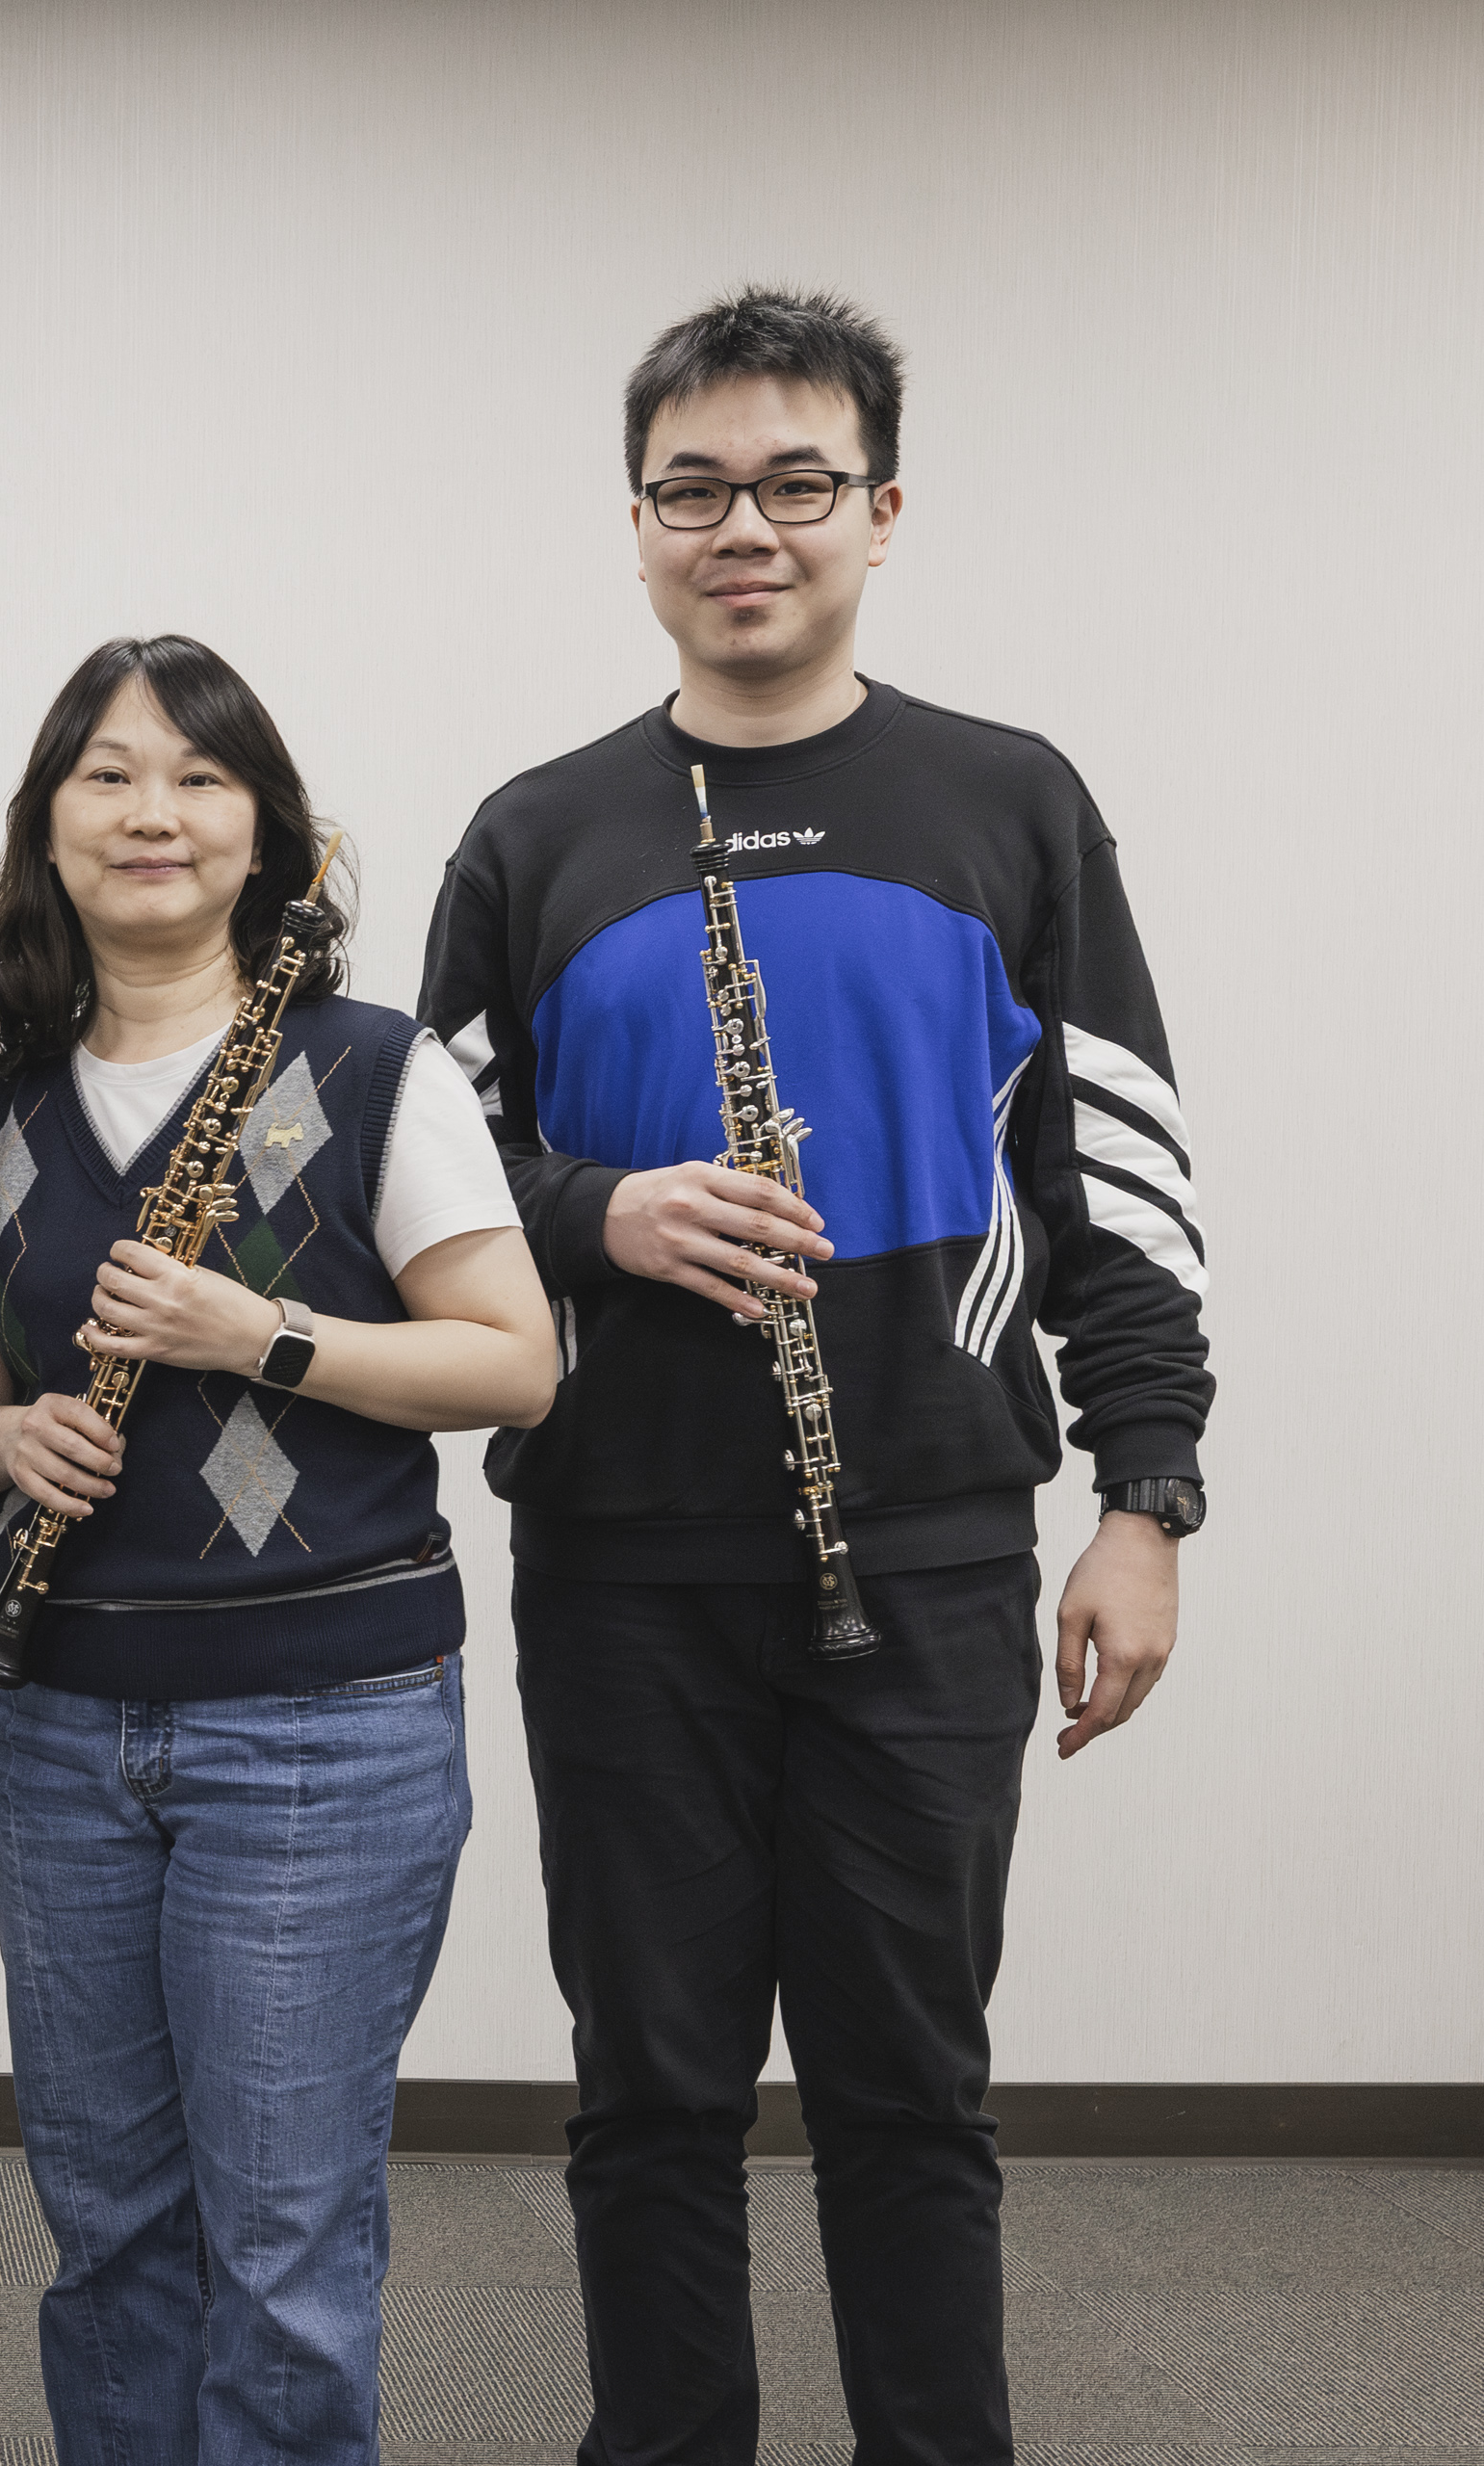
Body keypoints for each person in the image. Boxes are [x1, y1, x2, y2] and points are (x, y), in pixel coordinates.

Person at [416, 287, 1214, 2466]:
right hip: (621, 1553)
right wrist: (602, 1214)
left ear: (876, 506)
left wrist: (1142, 1494)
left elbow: (1112, 1168)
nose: (738, 526)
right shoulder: (535, 832)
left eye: (789, 483)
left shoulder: (1005, 799)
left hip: (935, 1541)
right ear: (637, 522)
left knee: (903, 2092)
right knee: (650, 2087)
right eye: (691, 489)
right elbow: (437, 1180)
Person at [0, 637, 554, 2465]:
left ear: (264, 831)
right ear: (47, 824)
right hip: (53, 1725)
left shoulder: (371, 1071)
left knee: (276, 2247)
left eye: (197, 777)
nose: (151, 813)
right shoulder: (1, 1108)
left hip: (317, 1723)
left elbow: (515, 1363)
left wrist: (251, 1334)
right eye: (107, 775)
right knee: (108, 2230)